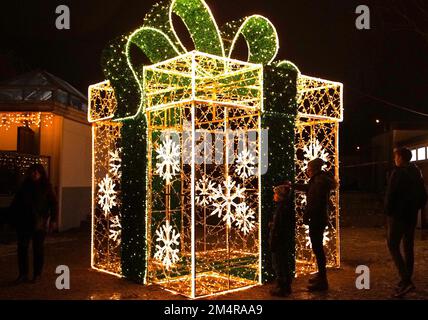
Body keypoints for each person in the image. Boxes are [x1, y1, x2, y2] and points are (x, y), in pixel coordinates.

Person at [385, 147, 427, 298]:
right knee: (408, 246)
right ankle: (407, 278)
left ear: (401, 158)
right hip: (411, 216)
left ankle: (406, 279)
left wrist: (388, 211)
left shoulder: (397, 173)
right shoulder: (417, 172)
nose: (395, 159)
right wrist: (416, 208)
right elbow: (423, 194)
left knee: (392, 245)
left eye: (396, 156)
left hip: (398, 216)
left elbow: (391, 194)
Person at [9, 164, 58, 283]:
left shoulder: (46, 187)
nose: (35, 174)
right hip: (24, 222)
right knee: (22, 248)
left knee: (38, 249)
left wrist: (53, 220)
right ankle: (23, 274)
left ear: (41, 174)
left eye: (37, 172)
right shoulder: (24, 187)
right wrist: (13, 219)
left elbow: (53, 204)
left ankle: (37, 274)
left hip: (39, 223)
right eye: (33, 172)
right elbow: (16, 204)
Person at [294, 158, 337, 291]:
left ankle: (323, 281)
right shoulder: (319, 180)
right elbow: (309, 189)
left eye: (308, 168)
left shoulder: (318, 181)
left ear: (312, 169)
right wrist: (294, 185)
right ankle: (321, 276)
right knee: (317, 248)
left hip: (317, 219)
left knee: (317, 249)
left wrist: (307, 217)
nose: (307, 170)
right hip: (319, 218)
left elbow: (314, 202)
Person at [269, 182, 294, 297]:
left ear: (279, 196)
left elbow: (279, 226)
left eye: (275, 194)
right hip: (283, 239)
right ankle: (286, 286)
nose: (273, 196)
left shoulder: (281, 209)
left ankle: (282, 287)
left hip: (279, 240)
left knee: (278, 263)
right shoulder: (286, 206)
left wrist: (273, 239)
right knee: (283, 263)